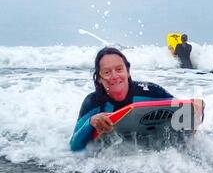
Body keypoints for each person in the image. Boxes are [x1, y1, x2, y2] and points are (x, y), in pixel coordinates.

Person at [70, 47, 203, 151]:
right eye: (107, 72)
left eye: (119, 69)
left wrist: (197, 107)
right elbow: (74, 146)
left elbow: (183, 113)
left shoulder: (150, 91)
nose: (115, 76)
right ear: (99, 78)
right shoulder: (93, 102)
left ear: (127, 72)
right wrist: (90, 122)